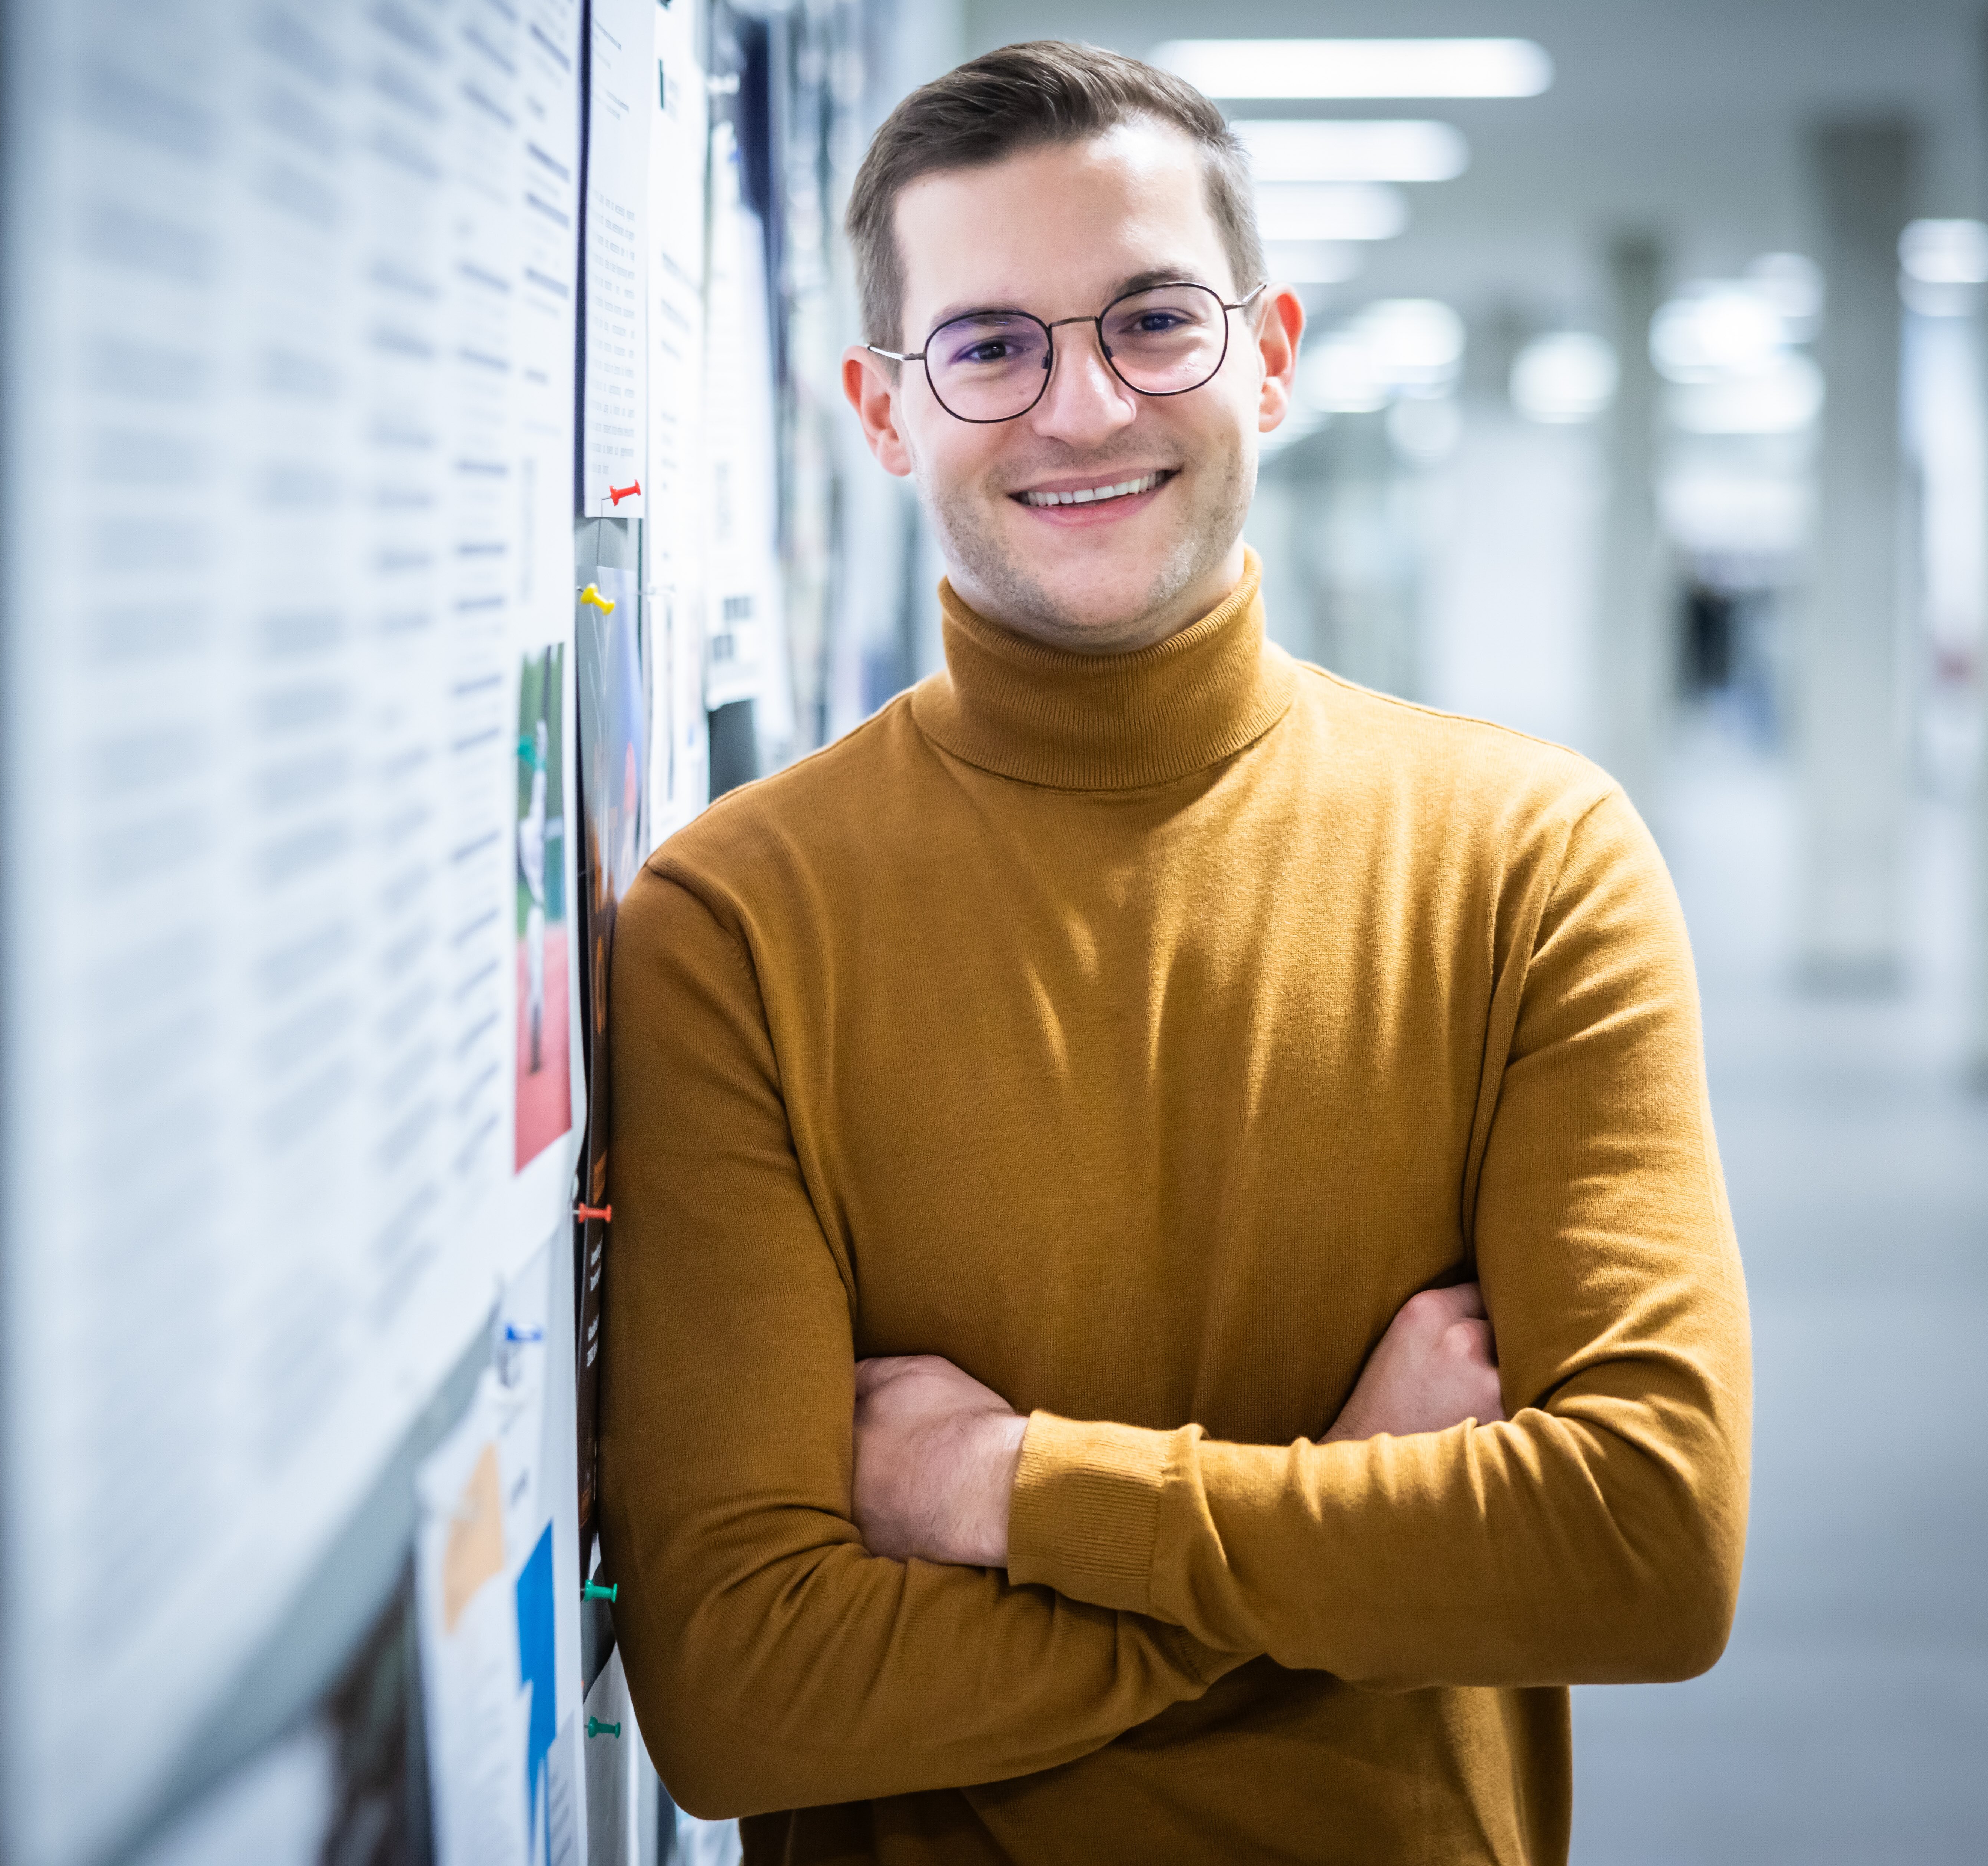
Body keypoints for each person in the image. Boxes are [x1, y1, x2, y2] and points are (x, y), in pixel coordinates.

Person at [600, 40, 1749, 1866]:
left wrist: (999, 1487)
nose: (1078, 410)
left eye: (1151, 320)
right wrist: (1347, 1511)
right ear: (883, 411)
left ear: (1268, 354)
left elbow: (1639, 1551)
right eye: (989, 345)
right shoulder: (731, 929)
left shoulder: (1532, 864)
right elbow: (749, 1691)